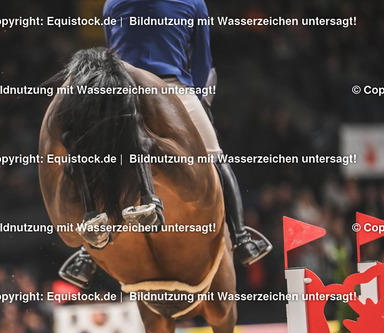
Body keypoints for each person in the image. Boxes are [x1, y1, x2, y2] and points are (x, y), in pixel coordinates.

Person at [59, 0, 272, 288]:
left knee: (99, 163)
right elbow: (202, 60)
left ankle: (87, 252)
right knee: (215, 157)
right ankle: (242, 238)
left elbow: (111, 59)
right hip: (172, 87)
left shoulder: (112, 3)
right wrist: (198, 96)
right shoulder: (193, 2)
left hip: (122, 94)